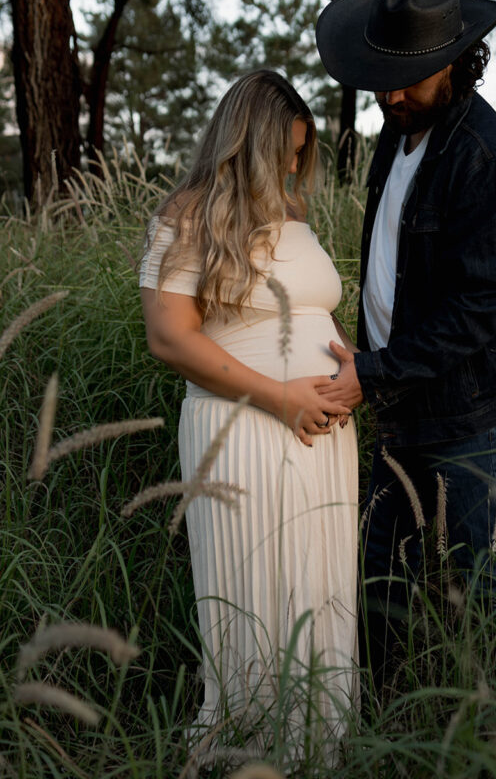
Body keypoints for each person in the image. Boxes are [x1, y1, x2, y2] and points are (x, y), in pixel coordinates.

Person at [315, 0, 496, 689]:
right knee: (379, 570)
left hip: (473, 409)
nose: (391, 95)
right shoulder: (396, 131)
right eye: (382, 79)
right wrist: (366, 346)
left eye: (409, 79)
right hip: (398, 393)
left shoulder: (487, 158)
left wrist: (372, 373)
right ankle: (380, 714)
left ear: (454, 62)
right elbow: (395, 255)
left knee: (493, 579)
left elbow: (476, 310)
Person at [139, 70, 359, 764]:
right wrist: (281, 396)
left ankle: (320, 746)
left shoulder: (294, 210)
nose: (295, 167)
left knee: (318, 585)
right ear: (247, 142)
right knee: (255, 585)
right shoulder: (187, 213)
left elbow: (312, 306)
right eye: (285, 152)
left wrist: (349, 364)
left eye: (301, 153)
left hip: (321, 435)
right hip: (241, 432)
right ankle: (250, 747)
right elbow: (169, 337)